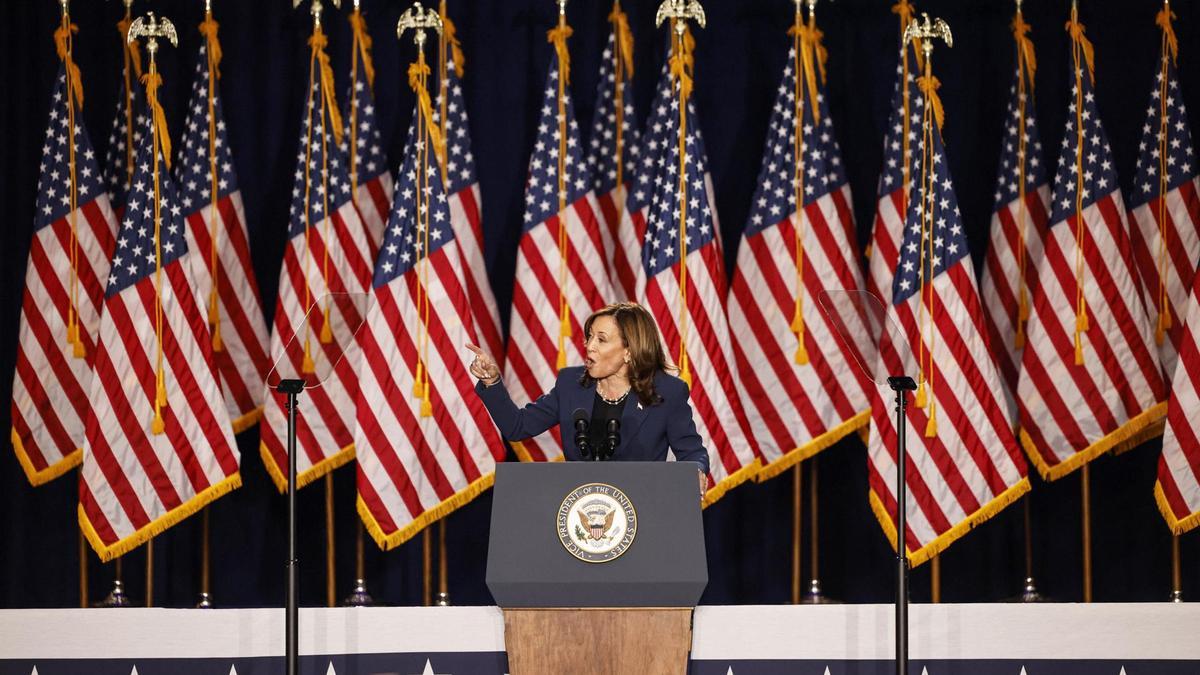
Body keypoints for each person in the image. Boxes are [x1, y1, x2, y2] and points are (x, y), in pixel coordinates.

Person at [467, 302, 709, 493]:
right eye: (590, 336)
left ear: (629, 351)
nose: (589, 346)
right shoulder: (571, 385)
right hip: (578, 516)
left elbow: (691, 451)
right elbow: (517, 427)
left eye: (601, 339)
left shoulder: (667, 392)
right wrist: (492, 382)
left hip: (643, 514)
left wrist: (696, 471)